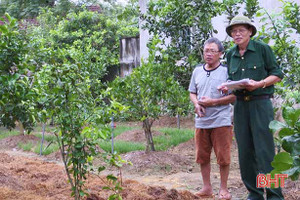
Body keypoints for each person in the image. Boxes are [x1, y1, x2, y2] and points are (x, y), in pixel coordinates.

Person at [221, 15, 285, 200]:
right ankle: (255, 193)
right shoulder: (230, 54)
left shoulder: (262, 49)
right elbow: (232, 80)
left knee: (264, 150)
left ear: (250, 31)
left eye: (241, 30)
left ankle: (274, 195)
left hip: (260, 103)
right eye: (234, 31)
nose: (237, 34)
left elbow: (277, 74)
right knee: (245, 151)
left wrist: (260, 84)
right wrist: (228, 87)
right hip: (240, 106)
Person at [189, 37, 236, 200]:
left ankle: (223, 188)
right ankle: (207, 187)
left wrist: (213, 102)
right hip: (201, 120)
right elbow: (192, 92)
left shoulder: (226, 71)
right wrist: (196, 104)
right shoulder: (197, 71)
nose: (208, 54)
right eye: (206, 51)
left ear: (220, 54)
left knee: (223, 156)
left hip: (221, 121)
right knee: (202, 156)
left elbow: (234, 97)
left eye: (212, 51)